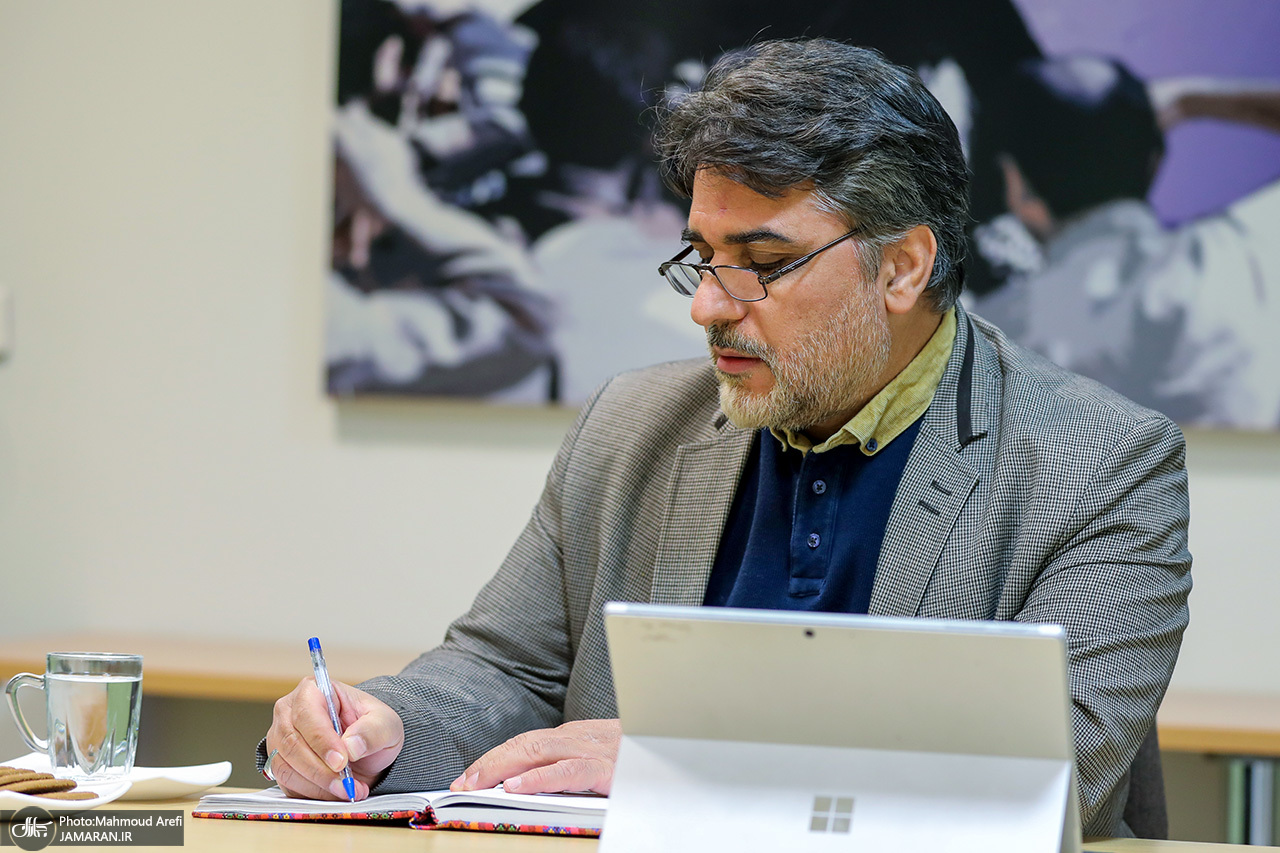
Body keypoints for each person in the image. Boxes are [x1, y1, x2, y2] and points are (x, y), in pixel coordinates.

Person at [264, 39, 1192, 838]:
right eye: (703, 258)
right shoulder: (629, 425)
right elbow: (504, 669)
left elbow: (1056, 770)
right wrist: (382, 723)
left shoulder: (1099, 464)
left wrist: (680, 765)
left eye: (763, 263)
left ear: (904, 267)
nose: (707, 306)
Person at [969, 55, 1280, 428]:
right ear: (1155, 160)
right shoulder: (1248, 252)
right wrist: (1189, 101)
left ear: (1016, 184)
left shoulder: (987, 344)